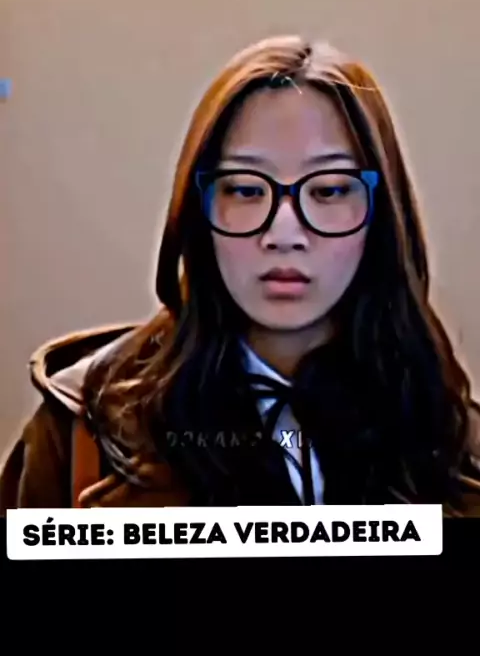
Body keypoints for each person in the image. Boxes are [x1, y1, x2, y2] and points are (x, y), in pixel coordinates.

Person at [1, 35, 480, 515]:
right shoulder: (79, 429)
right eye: (247, 190)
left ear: (382, 216)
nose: (284, 234)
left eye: (330, 190)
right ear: (199, 209)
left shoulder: (454, 439)